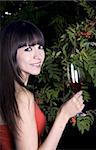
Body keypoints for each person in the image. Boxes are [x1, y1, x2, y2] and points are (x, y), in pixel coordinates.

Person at [0, 20, 85, 150]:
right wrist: (63, 115)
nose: (38, 56)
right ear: (10, 53)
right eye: (28, 49)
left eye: (40, 47)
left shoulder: (7, 90)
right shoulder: (22, 96)